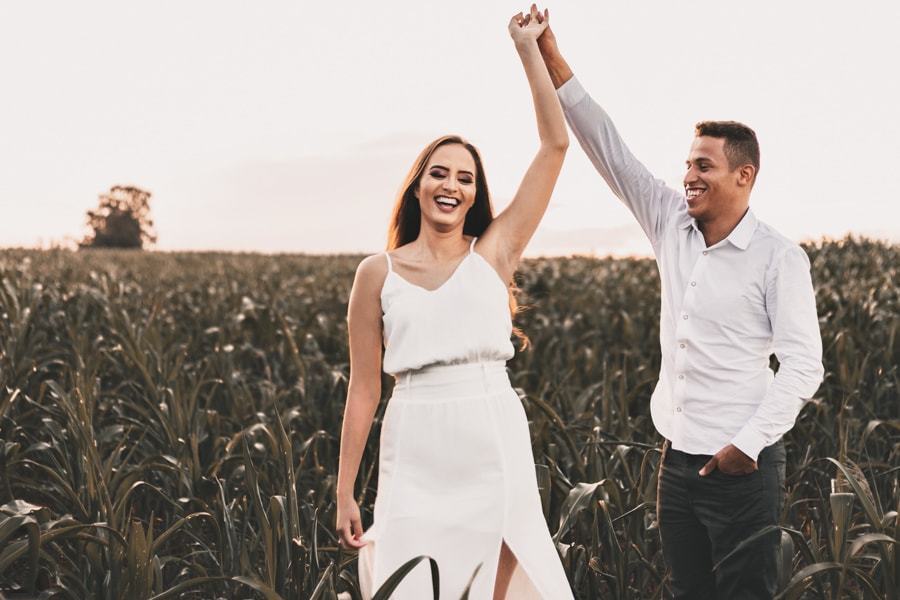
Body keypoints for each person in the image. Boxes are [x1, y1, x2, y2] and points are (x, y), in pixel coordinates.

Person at [535, 19, 824, 600]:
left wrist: (746, 445)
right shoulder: (670, 221)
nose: (688, 176)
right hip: (677, 460)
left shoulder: (778, 257)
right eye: (688, 165)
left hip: (742, 466)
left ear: (744, 176)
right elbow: (609, 148)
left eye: (704, 167)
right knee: (687, 591)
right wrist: (549, 53)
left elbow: (803, 365)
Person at [334, 6, 574, 599]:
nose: (451, 185)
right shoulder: (376, 274)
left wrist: (528, 50)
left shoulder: (494, 254)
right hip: (415, 438)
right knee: (413, 581)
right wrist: (344, 490)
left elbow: (555, 145)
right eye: (439, 173)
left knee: (496, 582)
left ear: (474, 194)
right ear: (418, 186)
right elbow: (363, 389)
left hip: (491, 429)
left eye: (465, 178)